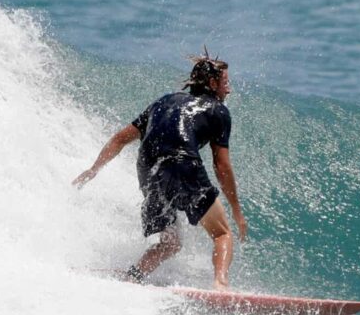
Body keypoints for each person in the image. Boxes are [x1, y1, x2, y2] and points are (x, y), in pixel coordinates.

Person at [73, 52, 247, 290]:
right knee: (222, 234)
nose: (229, 90)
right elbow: (221, 165)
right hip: (183, 164)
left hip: (148, 170)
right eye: (226, 83)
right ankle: (220, 284)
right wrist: (237, 211)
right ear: (213, 84)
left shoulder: (163, 102)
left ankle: (133, 276)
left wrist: (94, 169)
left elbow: (120, 139)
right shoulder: (218, 110)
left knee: (171, 242)